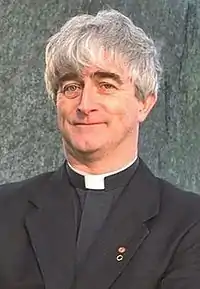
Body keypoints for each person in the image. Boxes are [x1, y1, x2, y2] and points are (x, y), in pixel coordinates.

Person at [0, 8, 200, 289]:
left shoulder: (189, 223)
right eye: (71, 87)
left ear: (145, 103)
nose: (85, 104)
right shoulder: (5, 210)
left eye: (106, 85)